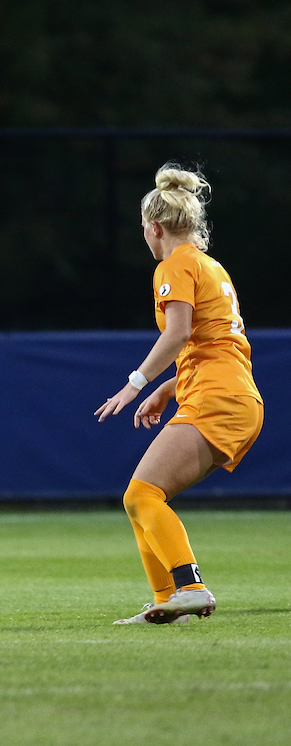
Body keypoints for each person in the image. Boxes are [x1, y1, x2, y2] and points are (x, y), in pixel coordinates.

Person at [95, 163, 262, 625]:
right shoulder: (211, 265)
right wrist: (170, 387)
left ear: (154, 227)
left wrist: (135, 383)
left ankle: (190, 588)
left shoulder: (174, 264)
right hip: (232, 395)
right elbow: (213, 342)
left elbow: (178, 333)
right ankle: (170, 599)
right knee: (140, 497)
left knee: (143, 493)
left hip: (217, 397)